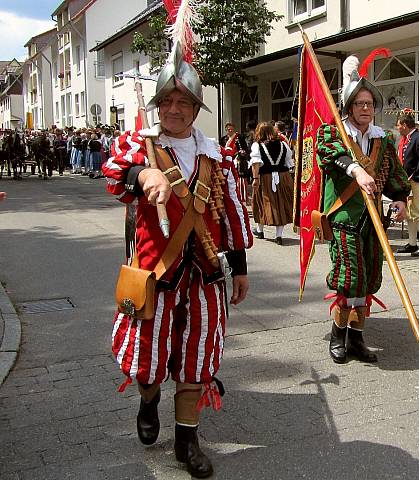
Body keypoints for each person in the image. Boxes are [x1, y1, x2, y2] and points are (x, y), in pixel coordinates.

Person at [102, 28, 252, 477]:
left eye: (182, 102)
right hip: (155, 273)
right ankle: (149, 402)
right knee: (148, 362)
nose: (172, 109)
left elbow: (232, 212)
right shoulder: (140, 145)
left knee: (198, 358)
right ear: (157, 106)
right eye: (166, 101)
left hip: (205, 273)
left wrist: (239, 267)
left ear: (195, 109)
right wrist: (144, 178)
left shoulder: (215, 154)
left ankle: (187, 440)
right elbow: (116, 175)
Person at [316, 53, 410, 364]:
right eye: (359, 104)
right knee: (349, 277)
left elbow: (394, 174)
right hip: (344, 217)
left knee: (369, 278)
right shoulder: (333, 132)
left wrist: (399, 198)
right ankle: (337, 335)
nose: (366, 109)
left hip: (374, 220)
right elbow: (328, 155)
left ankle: (357, 339)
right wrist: (356, 170)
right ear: (348, 107)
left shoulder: (383, 138)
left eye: (369, 104)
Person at [249, 122, 294, 244]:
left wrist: (255, 179)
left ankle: (260, 230)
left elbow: (256, 164)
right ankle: (278, 236)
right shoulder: (283, 144)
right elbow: (288, 161)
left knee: (261, 202)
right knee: (281, 204)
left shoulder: (257, 146)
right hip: (283, 177)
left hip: (265, 178)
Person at [396, 114, 419, 257]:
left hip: (417, 180)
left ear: (405, 125)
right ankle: (412, 243)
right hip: (408, 180)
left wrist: (414, 177)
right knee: (409, 214)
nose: (397, 128)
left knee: (418, 212)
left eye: (398, 125)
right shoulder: (406, 139)